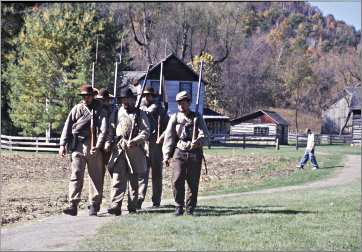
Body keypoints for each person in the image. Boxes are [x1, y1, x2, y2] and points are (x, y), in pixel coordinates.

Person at [59, 84, 108, 216]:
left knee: (95, 177)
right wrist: (62, 145)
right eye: (84, 96)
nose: (86, 98)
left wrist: (97, 146)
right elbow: (68, 126)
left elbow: (103, 130)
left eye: (88, 96)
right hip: (78, 146)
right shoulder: (77, 109)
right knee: (76, 175)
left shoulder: (100, 110)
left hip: (94, 147)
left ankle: (94, 204)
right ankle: (73, 204)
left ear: (92, 96)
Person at [162, 90, 209, 216]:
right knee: (177, 180)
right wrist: (166, 155)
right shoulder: (175, 117)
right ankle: (178, 206)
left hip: (195, 152)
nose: (181, 105)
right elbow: (169, 137)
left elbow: (206, 136)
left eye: (183, 102)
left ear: (189, 103)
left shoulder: (197, 117)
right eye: (179, 103)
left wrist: (198, 141)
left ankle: (190, 208)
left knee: (193, 182)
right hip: (180, 151)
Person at [105, 88, 150, 216]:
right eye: (123, 100)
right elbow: (111, 130)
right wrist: (108, 143)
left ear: (133, 100)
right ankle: (115, 205)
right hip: (119, 149)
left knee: (133, 182)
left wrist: (135, 141)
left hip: (135, 151)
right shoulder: (116, 113)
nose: (125, 102)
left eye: (127, 99)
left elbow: (145, 132)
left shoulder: (140, 114)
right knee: (117, 179)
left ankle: (132, 205)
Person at [137, 87, 169, 209]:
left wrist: (161, 138)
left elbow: (168, 127)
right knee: (142, 173)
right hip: (143, 144)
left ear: (153, 96)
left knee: (157, 174)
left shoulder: (160, 110)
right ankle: (139, 198)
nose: (146, 97)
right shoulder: (139, 109)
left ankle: (156, 200)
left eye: (149, 95)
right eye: (144, 95)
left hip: (156, 145)